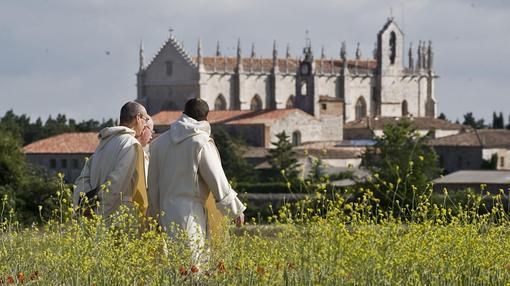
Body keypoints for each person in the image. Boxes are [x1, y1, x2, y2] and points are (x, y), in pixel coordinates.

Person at [148, 98, 245, 261]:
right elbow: (217, 178)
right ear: (206, 118)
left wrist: (155, 215)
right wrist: (235, 211)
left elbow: (153, 184)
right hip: (191, 215)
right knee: (193, 270)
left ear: (183, 113)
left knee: (173, 271)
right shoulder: (201, 142)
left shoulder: (158, 144)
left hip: (165, 216)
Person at [73, 101, 149, 217]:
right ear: (138, 118)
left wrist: (88, 207)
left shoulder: (102, 144)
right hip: (115, 216)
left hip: (93, 216)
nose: (145, 126)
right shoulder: (131, 144)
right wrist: (99, 213)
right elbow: (117, 182)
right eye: (146, 120)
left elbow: (82, 180)